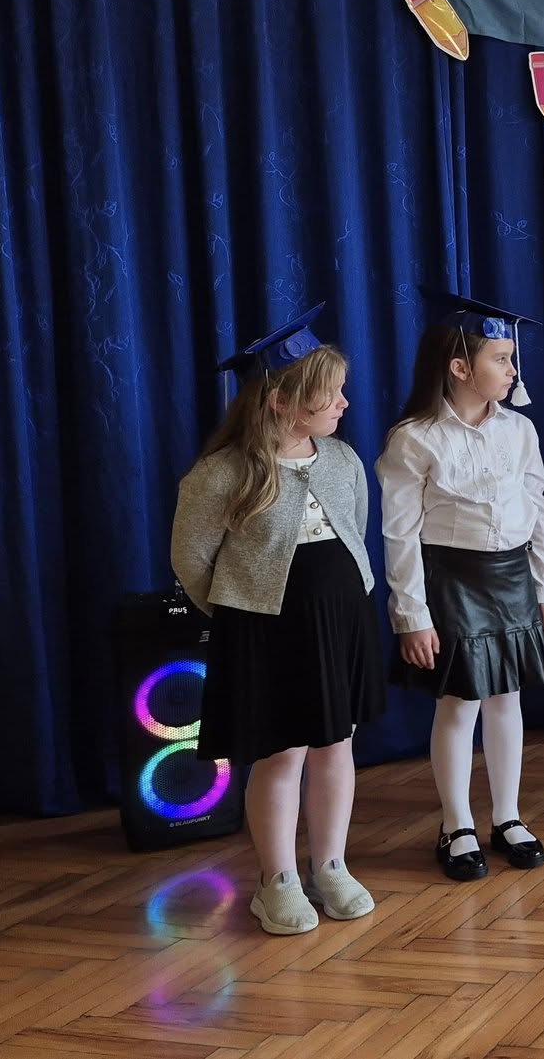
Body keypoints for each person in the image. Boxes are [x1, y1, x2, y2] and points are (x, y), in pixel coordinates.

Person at [170, 305, 384, 935]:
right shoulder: (221, 474)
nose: (344, 402)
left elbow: (357, 527)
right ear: (282, 401)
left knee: (336, 744)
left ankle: (331, 866)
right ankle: (277, 879)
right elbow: (191, 560)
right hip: (268, 632)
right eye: (331, 393)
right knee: (282, 754)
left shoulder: (342, 459)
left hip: (339, 622)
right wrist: (245, 615)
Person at [378, 295, 544, 881]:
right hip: (451, 579)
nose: (513, 370)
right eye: (501, 359)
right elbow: (400, 533)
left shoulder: (520, 430)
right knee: (460, 703)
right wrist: (412, 614)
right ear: (460, 367)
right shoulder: (415, 438)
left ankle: (507, 816)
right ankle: (456, 823)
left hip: (512, 577)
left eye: (511, 358)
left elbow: (537, 507)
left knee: (507, 698)